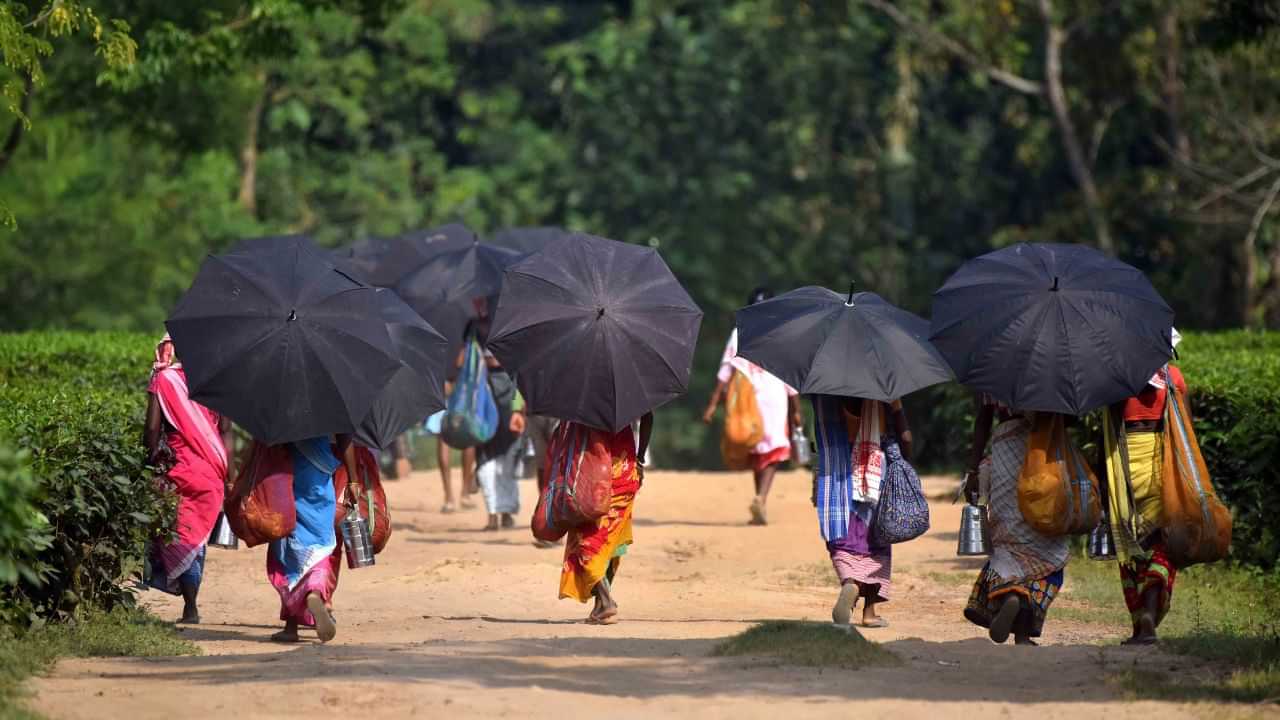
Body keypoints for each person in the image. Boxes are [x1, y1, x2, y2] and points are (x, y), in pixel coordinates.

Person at [961, 395, 1069, 646]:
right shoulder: (1051, 367)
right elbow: (1069, 419)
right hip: (1043, 456)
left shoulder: (996, 364)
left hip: (1004, 455)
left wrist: (972, 469)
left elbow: (983, 420)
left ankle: (1009, 595)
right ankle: (1022, 631)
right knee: (1048, 545)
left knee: (1007, 541)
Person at [143, 334, 234, 624]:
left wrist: (148, 461)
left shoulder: (164, 380)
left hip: (177, 469)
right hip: (211, 471)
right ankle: (191, 604)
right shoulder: (216, 379)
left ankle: (190, 604)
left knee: (179, 535)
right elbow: (227, 430)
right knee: (196, 539)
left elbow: (151, 429)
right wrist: (228, 473)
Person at [242, 434, 359, 643]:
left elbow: (260, 440)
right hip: (319, 482)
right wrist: (353, 480)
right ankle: (315, 592)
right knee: (321, 547)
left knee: (287, 552)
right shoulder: (333, 405)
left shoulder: (280, 405)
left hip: (283, 479)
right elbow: (345, 438)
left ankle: (291, 626)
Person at [703, 287, 802, 525]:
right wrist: (796, 408)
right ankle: (761, 497)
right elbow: (790, 374)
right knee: (775, 450)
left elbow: (725, 369)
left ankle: (760, 500)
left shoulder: (740, 332)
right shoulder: (781, 334)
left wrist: (713, 403)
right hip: (775, 397)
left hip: (748, 399)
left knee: (758, 449)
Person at [810, 395, 911, 628]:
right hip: (875, 472)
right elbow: (907, 441)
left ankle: (850, 582)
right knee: (875, 542)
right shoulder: (881, 391)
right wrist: (896, 405)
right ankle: (869, 612)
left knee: (843, 540)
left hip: (837, 471)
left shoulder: (827, 393)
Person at [1104, 359, 1187, 645]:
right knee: (1161, 545)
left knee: (1131, 547)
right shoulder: (1172, 377)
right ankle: (1150, 612)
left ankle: (1140, 622)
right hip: (1159, 467)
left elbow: (1109, 425)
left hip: (1124, 468)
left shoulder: (1115, 377)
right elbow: (1185, 431)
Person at [560, 413, 653, 625]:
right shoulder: (628, 387)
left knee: (584, 539)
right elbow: (648, 416)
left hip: (596, 479)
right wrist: (640, 458)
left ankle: (605, 600)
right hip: (627, 471)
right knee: (608, 543)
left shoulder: (583, 393)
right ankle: (600, 606)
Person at [453, 297, 527, 531]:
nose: (478, 303)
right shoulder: (472, 328)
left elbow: (520, 367)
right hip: (481, 393)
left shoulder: (512, 324)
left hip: (510, 393)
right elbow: (461, 360)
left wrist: (518, 408)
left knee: (508, 456)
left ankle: (505, 512)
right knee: (485, 454)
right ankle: (493, 512)